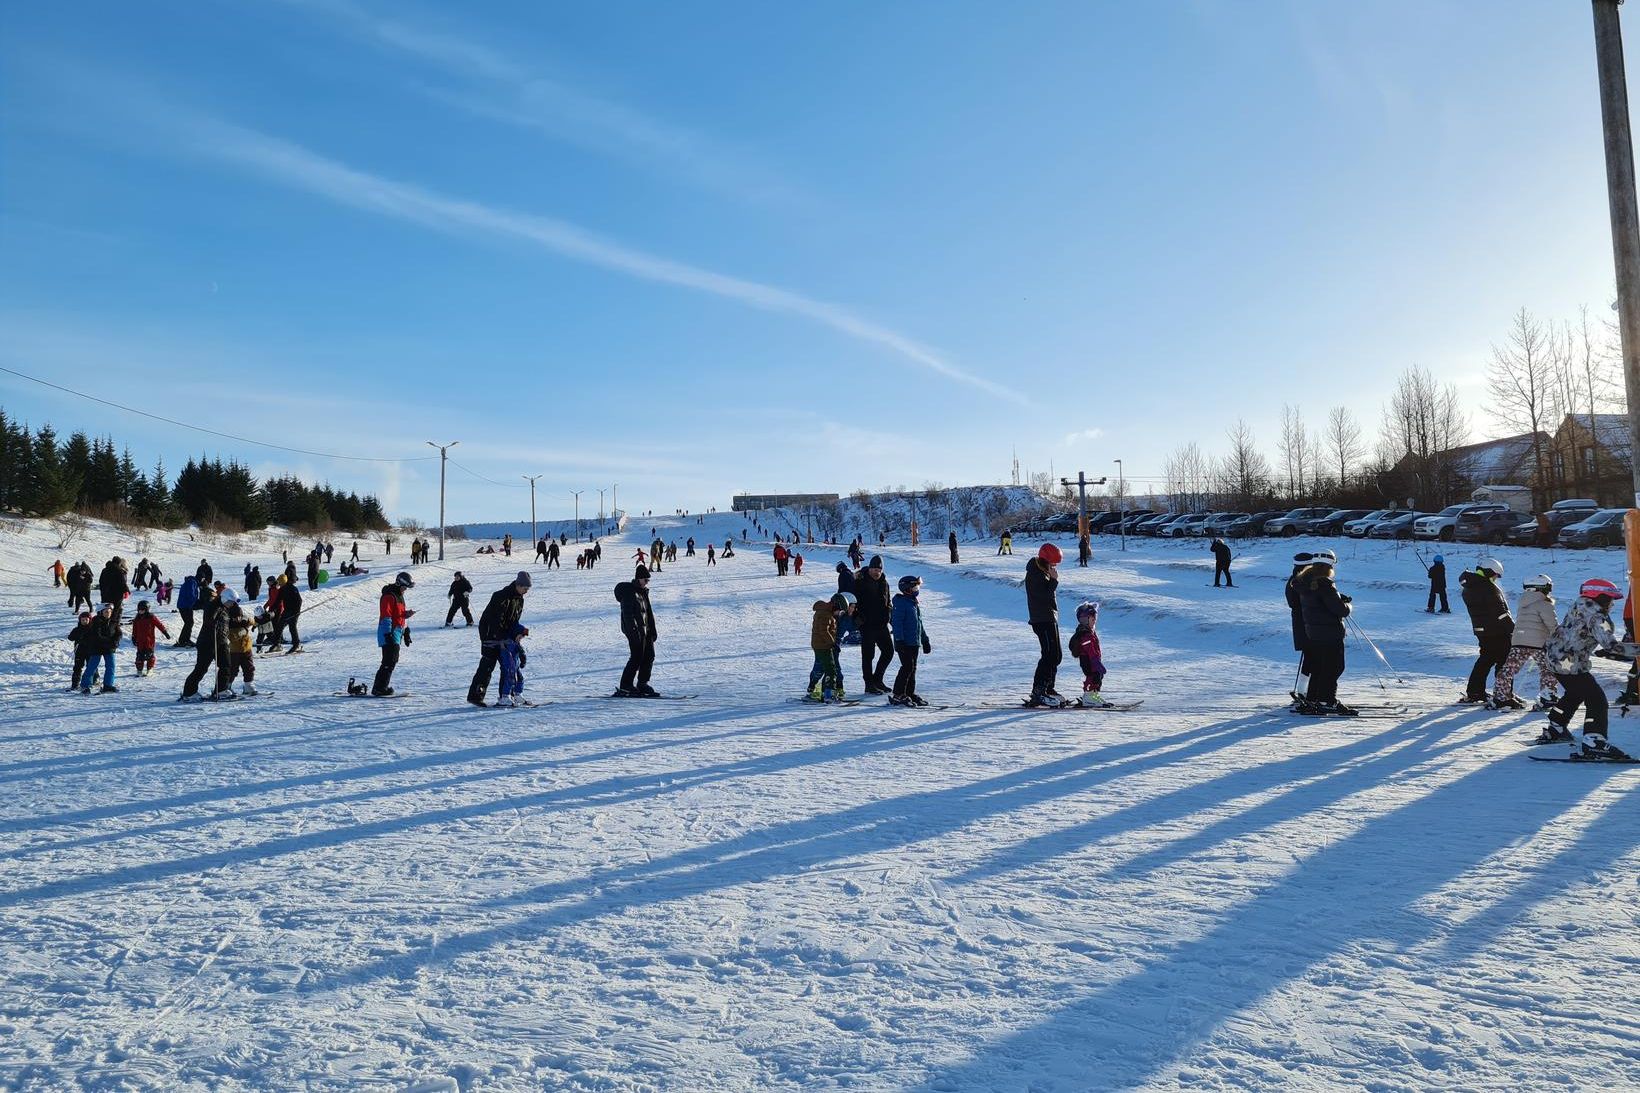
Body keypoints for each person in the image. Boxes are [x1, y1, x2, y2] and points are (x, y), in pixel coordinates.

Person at [1540, 578, 1630, 758]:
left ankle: (1556, 727)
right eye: (1610, 599)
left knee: (1575, 693)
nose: (1612, 604)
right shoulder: (1597, 616)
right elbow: (1611, 646)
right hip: (1571, 664)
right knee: (1597, 700)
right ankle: (1594, 741)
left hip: (1553, 658)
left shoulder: (1579, 606)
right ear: (1601, 597)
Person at [1295, 549, 1353, 714]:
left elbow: (1320, 601)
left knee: (1319, 666)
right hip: (1330, 633)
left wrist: (1337, 596)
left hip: (1313, 632)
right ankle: (1327, 700)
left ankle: (1313, 697)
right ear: (1329, 567)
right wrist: (1348, 606)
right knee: (1334, 667)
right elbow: (1341, 611)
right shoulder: (1325, 585)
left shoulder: (1304, 582)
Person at [1494, 575, 1559, 711]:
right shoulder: (1544, 604)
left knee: (1508, 669)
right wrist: (1559, 638)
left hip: (1519, 641)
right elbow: (1552, 625)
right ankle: (1548, 697)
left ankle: (1501, 697)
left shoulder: (1523, 602)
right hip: (1539, 643)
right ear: (1543, 588)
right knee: (1548, 669)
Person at [468, 571, 531, 707]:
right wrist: (501, 637)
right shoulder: (500, 596)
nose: (526, 591)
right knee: (487, 666)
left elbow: (513, 621)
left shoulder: (519, 599)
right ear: (518, 585)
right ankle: (476, 696)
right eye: (525, 588)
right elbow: (496, 620)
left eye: (527, 589)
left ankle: (507, 696)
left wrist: (519, 632)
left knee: (508, 667)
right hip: (490, 636)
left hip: (504, 638)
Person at [1459, 558, 1513, 704]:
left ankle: (1475, 691)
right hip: (1497, 631)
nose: (1496, 578)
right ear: (1489, 572)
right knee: (1504, 662)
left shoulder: (1469, 586)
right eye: (1496, 575)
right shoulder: (1488, 588)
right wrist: (1512, 629)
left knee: (1485, 660)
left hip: (1481, 630)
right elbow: (1501, 613)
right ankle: (1503, 695)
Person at [1025, 543, 1065, 706]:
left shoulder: (1042, 571)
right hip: (1041, 619)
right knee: (1049, 655)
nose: (1054, 566)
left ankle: (1048, 687)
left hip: (1049, 617)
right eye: (1053, 563)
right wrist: (1054, 581)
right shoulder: (1035, 574)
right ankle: (1039, 690)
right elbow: (1044, 596)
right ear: (1046, 560)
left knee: (1056, 655)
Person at [614, 564, 658, 697]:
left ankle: (642, 683)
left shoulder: (643, 593)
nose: (647, 582)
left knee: (649, 656)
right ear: (639, 579)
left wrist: (653, 630)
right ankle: (626, 685)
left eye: (648, 580)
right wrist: (633, 631)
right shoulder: (629, 592)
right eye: (645, 580)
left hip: (645, 632)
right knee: (636, 657)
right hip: (634, 631)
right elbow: (627, 614)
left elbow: (649, 613)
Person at [855, 555, 895, 694]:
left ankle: (878, 679)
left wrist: (889, 613)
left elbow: (888, 601)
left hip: (881, 624)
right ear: (869, 568)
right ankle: (869, 684)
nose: (876, 572)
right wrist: (857, 618)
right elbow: (852, 601)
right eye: (873, 569)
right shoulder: (860, 581)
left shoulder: (884, 583)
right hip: (867, 625)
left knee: (888, 651)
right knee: (868, 655)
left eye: (878, 569)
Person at [889, 575, 931, 706]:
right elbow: (897, 623)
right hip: (904, 642)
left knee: (913, 668)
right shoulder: (901, 603)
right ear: (906, 589)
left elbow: (919, 624)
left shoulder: (913, 603)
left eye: (917, 587)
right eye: (914, 587)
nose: (916, 589)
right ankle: (898, 694)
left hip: (914, 642)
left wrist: (925, 640)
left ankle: (909, 692)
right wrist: (899, 640)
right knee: (907, 667)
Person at [373, 572, 414, 696]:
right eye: (404, 587)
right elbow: (386, 616)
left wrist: (405, 628)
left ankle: (380, 687)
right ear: (398, 583)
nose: (405, 590)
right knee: (389, 660)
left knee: (392, 660)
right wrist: (387, 634)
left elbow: (398, 614)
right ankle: (379, 688)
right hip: (388, 631)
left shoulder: (399, 596)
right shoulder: (388, 596)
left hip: (396, 631)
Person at [179, 586, 221, 701]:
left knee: (203, 668)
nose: (214, 597)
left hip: (207, 641)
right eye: (213, 596)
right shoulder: (210, 605)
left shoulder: (208, 604)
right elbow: (210, 621)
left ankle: (190, 691)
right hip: (207, 642)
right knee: (201, 668)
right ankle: (189, 692)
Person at [1069, 601, 1108, 707]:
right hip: (1088, 660)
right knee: (1093, 677)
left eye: (1095, 619)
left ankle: (1093, 696)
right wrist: (1096, 662)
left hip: (1093, 660)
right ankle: (1088, 696)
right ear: (1084, 620)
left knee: (1097, 677)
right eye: (1092, 619)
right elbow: (1090, 649)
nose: (1094, 621)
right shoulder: (1085, 634)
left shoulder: (1090, 632)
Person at [807, 597, 845, 702]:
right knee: (831, 670)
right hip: (823, 646)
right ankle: (828, 694)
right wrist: (832, 643)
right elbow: (823, 631)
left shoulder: (825, 612)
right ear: (836, 606)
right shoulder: (825, 614)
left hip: (821, 645)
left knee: (823, 668)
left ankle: (816, 690)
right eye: (839, 611)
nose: (839, 614)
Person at [130, 600, 169, 677]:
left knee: (149, 655)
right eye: (139, 610)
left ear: (146, 609)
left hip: (149, 641)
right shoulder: (137, 619)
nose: (140, 611)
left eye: (142, 610)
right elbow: (135, 629)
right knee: (139, 656)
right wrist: (133, 637)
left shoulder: (151, 617)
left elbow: (159, 625)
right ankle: (139, 669)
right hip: (140, 641)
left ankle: (149, 669)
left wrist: (165, 632)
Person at [226, 601, 257, 695]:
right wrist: (242, 631)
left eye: (239, 616)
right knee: (233, 669)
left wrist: (248, 621)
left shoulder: (243, 621)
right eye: (235, 617)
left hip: (247, 649)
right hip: (234, 651)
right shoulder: (229, 625)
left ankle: (248, 685)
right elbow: (232, 637)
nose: (238, 619)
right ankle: (227, 686)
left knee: (249, 668)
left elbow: (253, 621)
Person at [496, 623, 529, 708]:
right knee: (510, 680)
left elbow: (520, 653)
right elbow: (506, 655)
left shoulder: (515, 642)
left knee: (520, 678)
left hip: (515, 666)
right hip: (509, 666)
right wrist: (509, 666)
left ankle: (517, 695)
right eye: (520, 636)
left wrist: (522, 659)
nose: (521, 639)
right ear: (515, 633)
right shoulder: (508, 642)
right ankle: (504, 697)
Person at [66, 610, 95, 692]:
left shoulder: (92, 629)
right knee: (77, 668)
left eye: (86, 620)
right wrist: (75, 635)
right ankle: (75, 685)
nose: (85, 621)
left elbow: (96, 638)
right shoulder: (77, 629)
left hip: (90, 651)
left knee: (91, 667)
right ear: (80, 620)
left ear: (89, 620)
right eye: (83, 620)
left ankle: (94, 681)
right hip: (79, 652)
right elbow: (70, 638)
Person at [280, 577, 304, 653]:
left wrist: (297, 612)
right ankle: (277, 643)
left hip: (294, 612)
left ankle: (296, 644)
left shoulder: (293, 588)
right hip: (287, 611)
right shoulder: (283, 589)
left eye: (280, 583)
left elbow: (299, 600)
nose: (279, 584)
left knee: (292, 627)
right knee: (280, 625)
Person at [175, 574, 201, 647]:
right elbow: (191, 594)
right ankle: (184, 640)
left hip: (185, 605)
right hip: (185, 606)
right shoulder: (192, 582)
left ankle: (185, 639)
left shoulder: (189, 581)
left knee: (188, 623)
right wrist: (196, 603)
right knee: (189, 623)